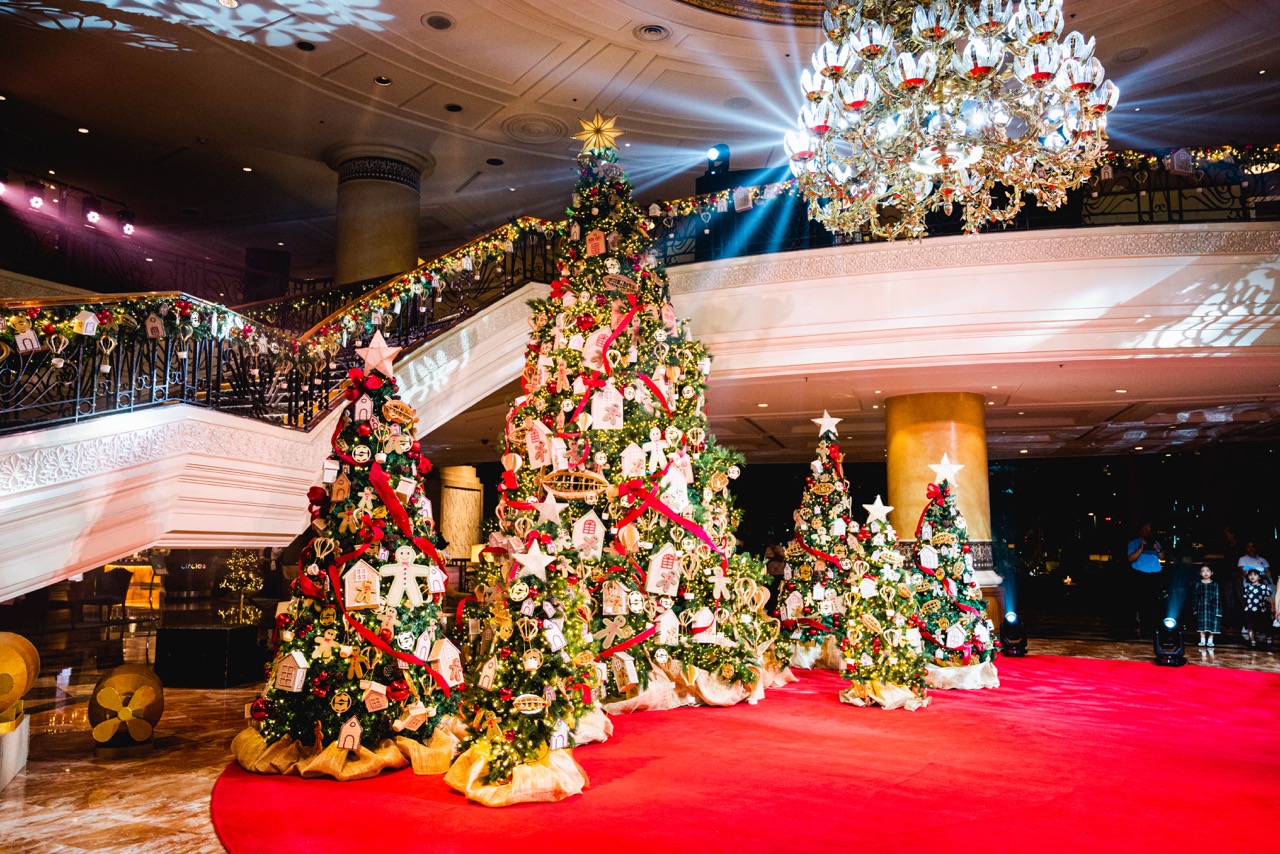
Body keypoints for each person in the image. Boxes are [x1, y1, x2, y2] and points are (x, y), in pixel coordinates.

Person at [1126, 522, 1165, 637]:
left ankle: (1154, 627)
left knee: (1154, 601)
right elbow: (1131, 558)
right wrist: (1141, 548)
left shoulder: (1155, 542)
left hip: (1155, 574)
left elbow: (1162, 557)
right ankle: (1144, 626)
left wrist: (1157, 549)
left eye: (1150, 530)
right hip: (1140, 574)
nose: (1148, 532)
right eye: (1145, 530)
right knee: (1142, 601)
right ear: (1140, 531)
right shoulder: (1134, 542)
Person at [1240, 567, 1274, 648]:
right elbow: (1245, 599)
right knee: (1250, 626)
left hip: (1261, 610)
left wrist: (1273, 607)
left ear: (1259, 577)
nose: (1252, 576)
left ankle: (1269, 638)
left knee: (1265, 626)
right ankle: (1252, 641)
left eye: (1255, 574)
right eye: (1250, 575)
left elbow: (1270, 598)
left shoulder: (1263, 587)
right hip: (1250, 610)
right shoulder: (1247, 588)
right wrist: (1245, 608)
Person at [1190, 565, 1221, 648]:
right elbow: (1195, 597)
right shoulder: (1198, 584)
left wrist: (1218, 610)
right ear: (1200, 573)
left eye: (1207, 570)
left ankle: (1210, 640)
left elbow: (1217, 597)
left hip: (1213, 608)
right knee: (1202, 624)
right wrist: (1194, 608)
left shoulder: (1215, 584)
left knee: (1212, 624)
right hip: (1201, 608)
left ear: (1211, 573)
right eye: (1203, 571)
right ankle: (1202, 640)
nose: (1205, 572)